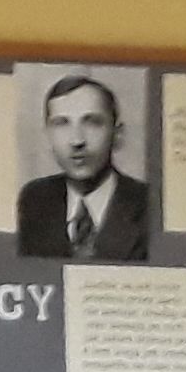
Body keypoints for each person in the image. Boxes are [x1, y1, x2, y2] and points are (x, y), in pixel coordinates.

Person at [13, 74, 152, 260]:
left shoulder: (148, 205)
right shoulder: (34, 200)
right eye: (61, 124)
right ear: (48, 134)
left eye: (92, 122)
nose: (77, 140)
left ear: (117, 133)